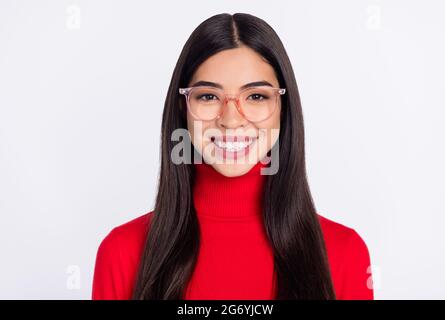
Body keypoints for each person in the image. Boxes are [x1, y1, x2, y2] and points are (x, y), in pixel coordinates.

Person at [92, 12, 374, 300]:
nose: (230, 120)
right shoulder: (122, 253)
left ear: (283, 107)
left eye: (256, 96)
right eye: (208, 96)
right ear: (182, 107)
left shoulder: (345, 253)